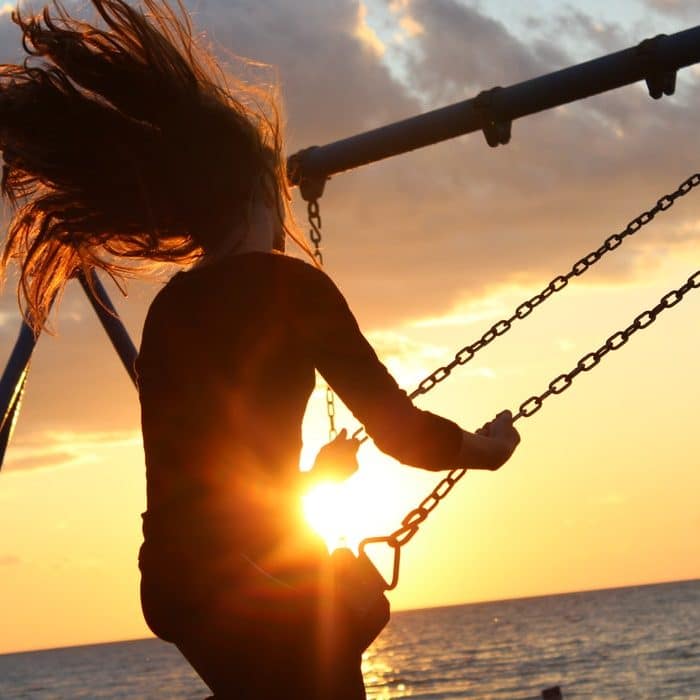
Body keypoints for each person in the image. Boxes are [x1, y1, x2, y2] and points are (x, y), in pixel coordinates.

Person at [0, 1, 520, 697]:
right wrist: (482, 452)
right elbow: (399, 434)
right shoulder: (291, 289)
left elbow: (206, 483)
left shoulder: (169, 310)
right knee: (360, 604)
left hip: (175, 586)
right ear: (255, 192)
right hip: (245, 579)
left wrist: (313, 482)